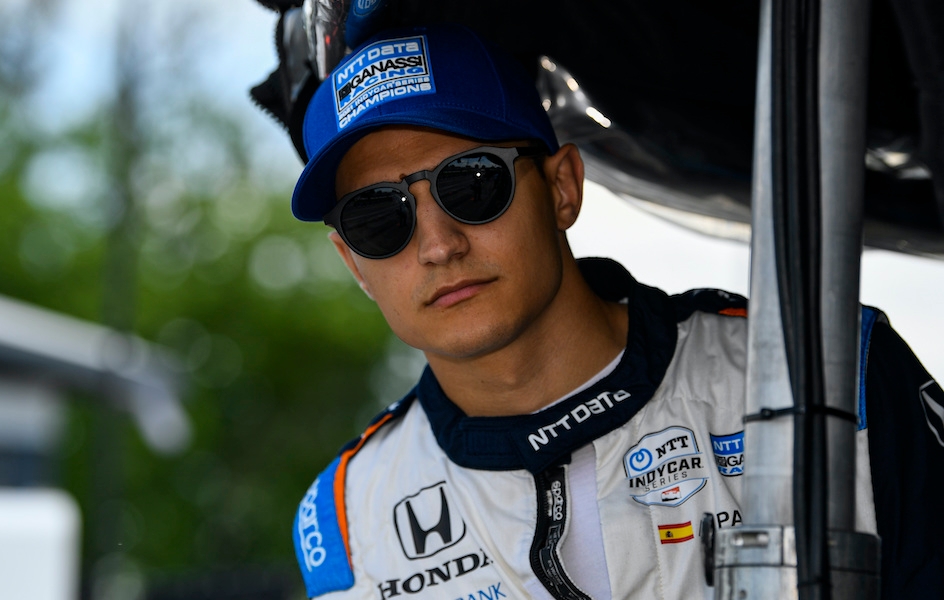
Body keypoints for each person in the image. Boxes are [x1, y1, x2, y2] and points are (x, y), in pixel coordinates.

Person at [280, 23, 944, 599]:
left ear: (562, 187)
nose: (438, 245)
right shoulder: (347, 519)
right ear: (353, 263)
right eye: (377, 219)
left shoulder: (829, 368)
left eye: (472, 184)